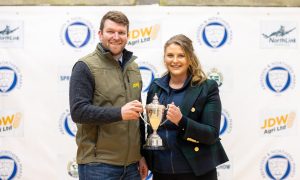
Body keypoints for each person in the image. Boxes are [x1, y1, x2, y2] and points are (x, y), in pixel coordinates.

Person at [69, 11, 148, 180]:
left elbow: (138, 115)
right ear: (100, 34)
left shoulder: (133, 68)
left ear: (128, 36)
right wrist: (119, 113)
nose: (116, 37)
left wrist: (141, 154)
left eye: (121, 32)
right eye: (110, 31)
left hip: (132, 166)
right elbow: (78, 111)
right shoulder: (85, 66)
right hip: (98, 166)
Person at [143, 34, 228, 180]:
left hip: (197, 172)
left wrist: (182, 120)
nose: (175, 61)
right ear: (164, 58)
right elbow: (151, 129)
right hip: (161, 171)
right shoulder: (155, 87)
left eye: (181, 56)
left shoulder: (207, 87)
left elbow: (211, 134)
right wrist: (142, 156)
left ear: (189, 58)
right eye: (170, 55)